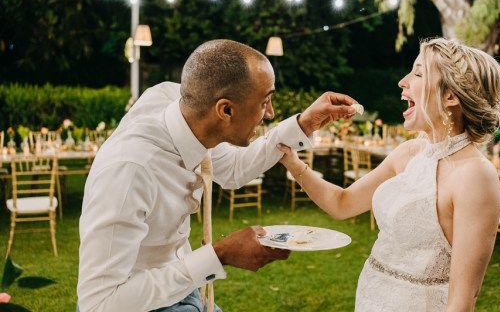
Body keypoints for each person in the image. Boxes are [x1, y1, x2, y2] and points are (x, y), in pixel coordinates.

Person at [77, 39, 358, 312]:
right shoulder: (129, 172)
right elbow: (98, 304)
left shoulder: (179, 105)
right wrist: (220, 254)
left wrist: (303, 123)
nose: (270, 113)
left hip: (183, 287)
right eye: (265, 101)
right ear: (225, 109)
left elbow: (235, 168)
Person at [278, 38, 500, 311]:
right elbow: (342, 204)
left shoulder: (475, 175)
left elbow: (462, 300)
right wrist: (292, 162)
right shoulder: (409, 152)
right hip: (370, 299)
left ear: (450, 96)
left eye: (419, 73)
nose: (403, 81)